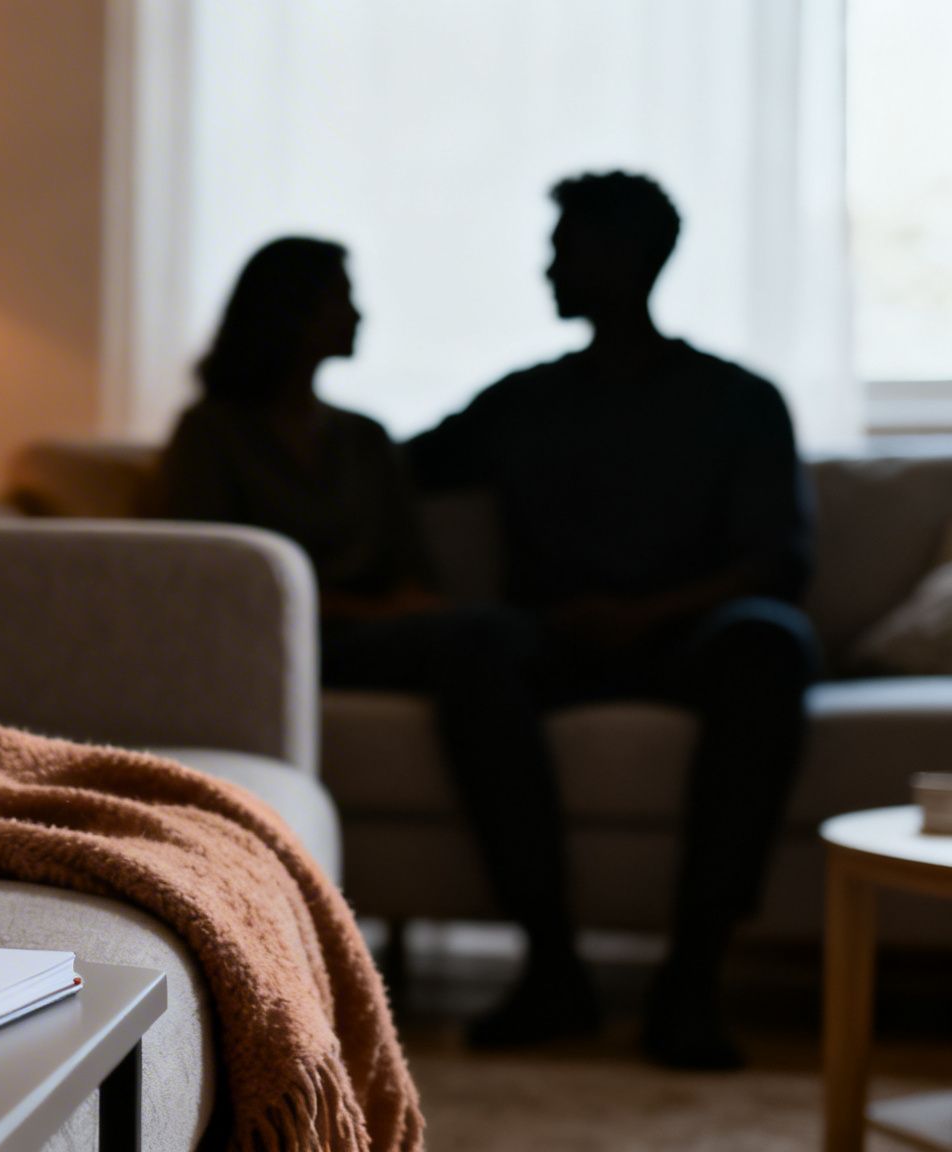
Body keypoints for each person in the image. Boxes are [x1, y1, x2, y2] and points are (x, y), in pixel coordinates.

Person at [408, 171, 818, 1069]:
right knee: (472, 645)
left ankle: (692, 981)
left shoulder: (740, 399)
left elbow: (779, 562)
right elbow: (389, 476)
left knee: (771, 643)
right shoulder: (525, 398)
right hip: (553, 638)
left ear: (630, 259)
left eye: (565, 249)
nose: (547, 268)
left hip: (688, 640)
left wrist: (646, 613)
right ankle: (553, 968)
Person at [160, 238, 592, 1054]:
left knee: (483, 646)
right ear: (288, 315)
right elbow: (209, 579)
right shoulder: (212, 433)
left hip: (384, 639)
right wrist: (372, 607)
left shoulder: (365, 439)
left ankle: (554, 952)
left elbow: (416, 574)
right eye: (339, 296)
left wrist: (401, 608)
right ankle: (554, 953)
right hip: (285, 652)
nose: (356, 313)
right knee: (484, 643)